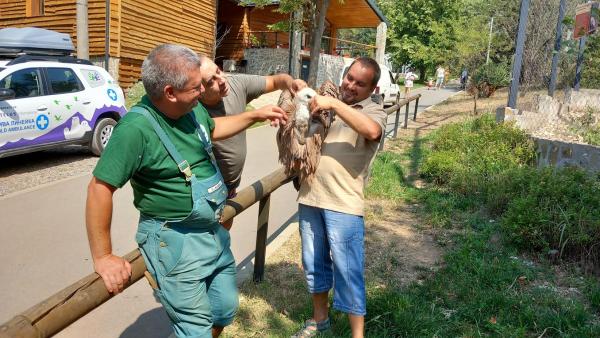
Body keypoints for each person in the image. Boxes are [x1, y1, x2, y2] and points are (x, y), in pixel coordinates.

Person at [85, 44, 287, 338]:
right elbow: (98, 189)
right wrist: (103, 257)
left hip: (211, 233)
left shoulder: (191, 111)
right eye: (197, 87)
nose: (204, 91)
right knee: (195, 330)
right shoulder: (135, 129)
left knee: (224, 309)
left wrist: (254, 116)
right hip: (174, 240)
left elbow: (212, 128)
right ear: (170, 92)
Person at [292, 57, 387, 338]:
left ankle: (358, 336)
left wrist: (334, 104)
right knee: (314, 265)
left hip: (343, 205)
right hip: (310, 199)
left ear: (373, 88)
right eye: (350, 78)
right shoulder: (328, 104)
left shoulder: (373, 110)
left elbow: (372, 131)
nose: (351, 85)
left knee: (349, 271)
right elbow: (303, 138)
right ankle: (320, 321)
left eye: (360, 83)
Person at [198, 57, 305, 230]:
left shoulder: (235, 83)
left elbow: (277, 80)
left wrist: (292, 83)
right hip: (204, 190)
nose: (222, 80)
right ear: (198, 89)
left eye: (218, 71)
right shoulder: (191, 107)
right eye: (212, 81)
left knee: (221, 236)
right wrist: (255, 115)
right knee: (203, 241)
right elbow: (212, 130)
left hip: (229, 185)